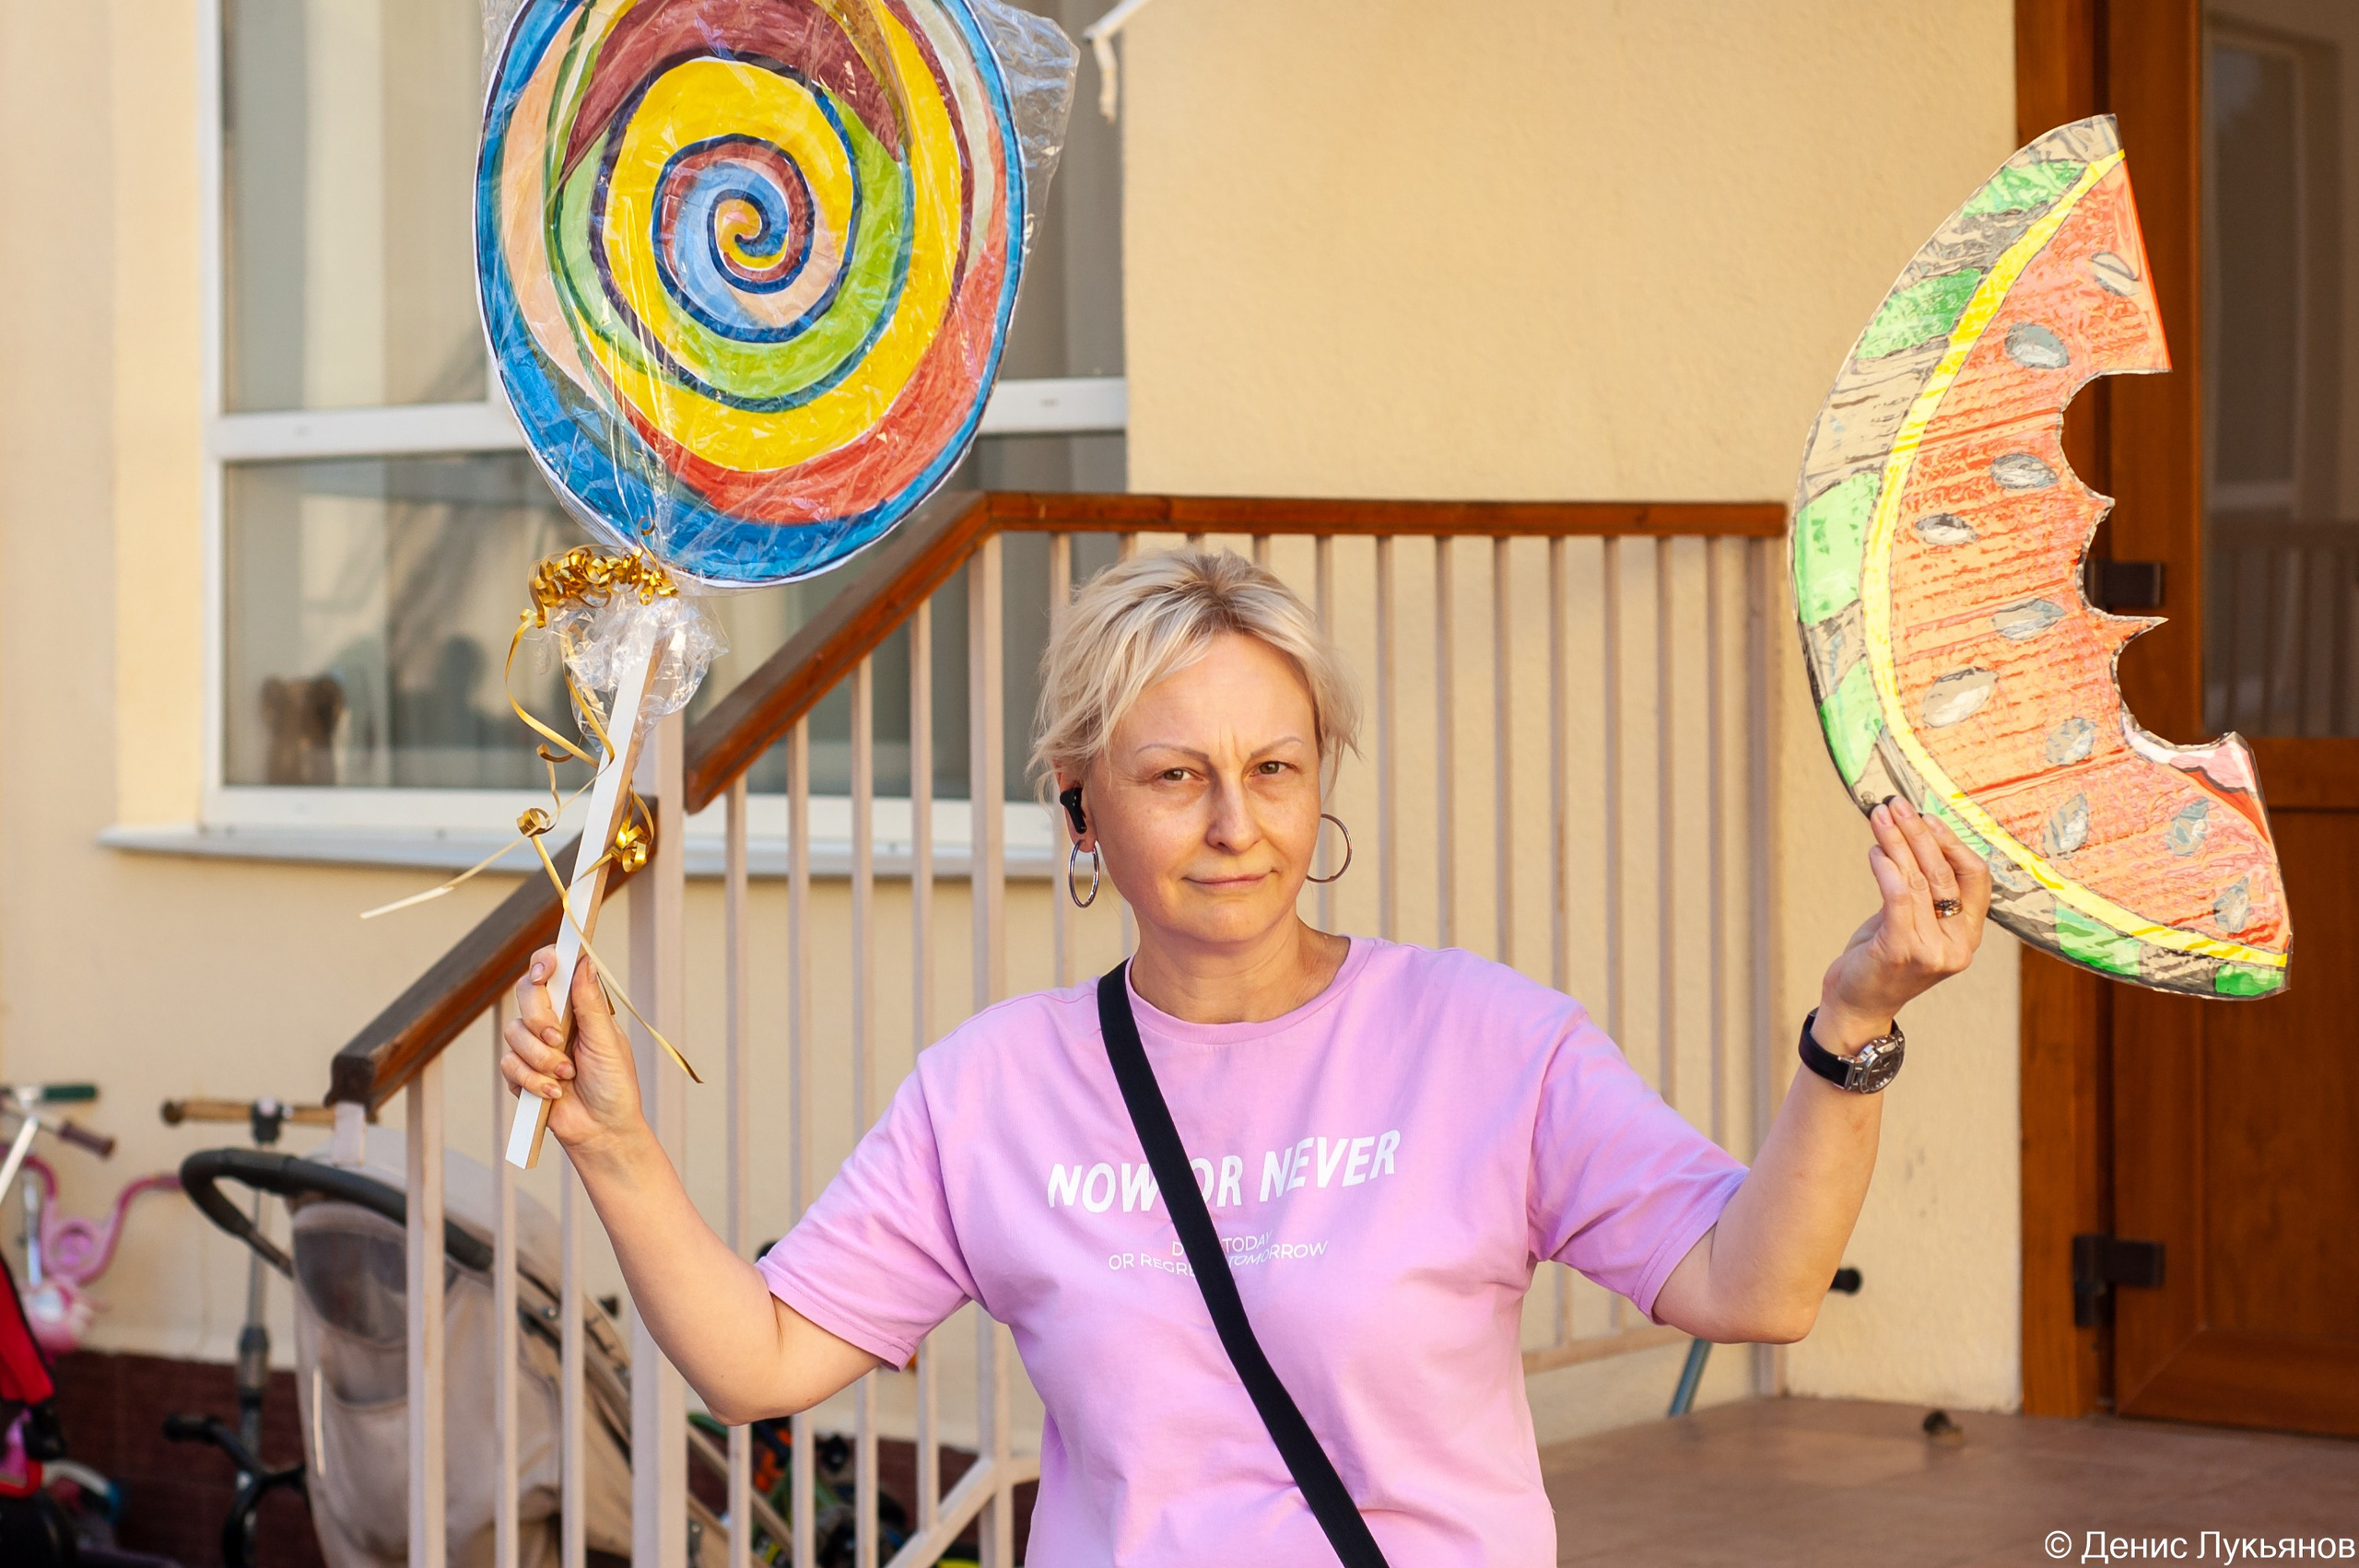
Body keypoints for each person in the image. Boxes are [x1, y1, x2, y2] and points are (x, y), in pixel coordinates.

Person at [501, 547, 1990, 1566]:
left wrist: (1853, 1023)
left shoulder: (1484, 1040)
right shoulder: (994, 1088)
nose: (1236, 824)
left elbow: (1754, 1285)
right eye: (1175, 775)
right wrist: (614, 1144)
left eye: (1275, 768)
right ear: (1080, 803)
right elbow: (761, 1360)